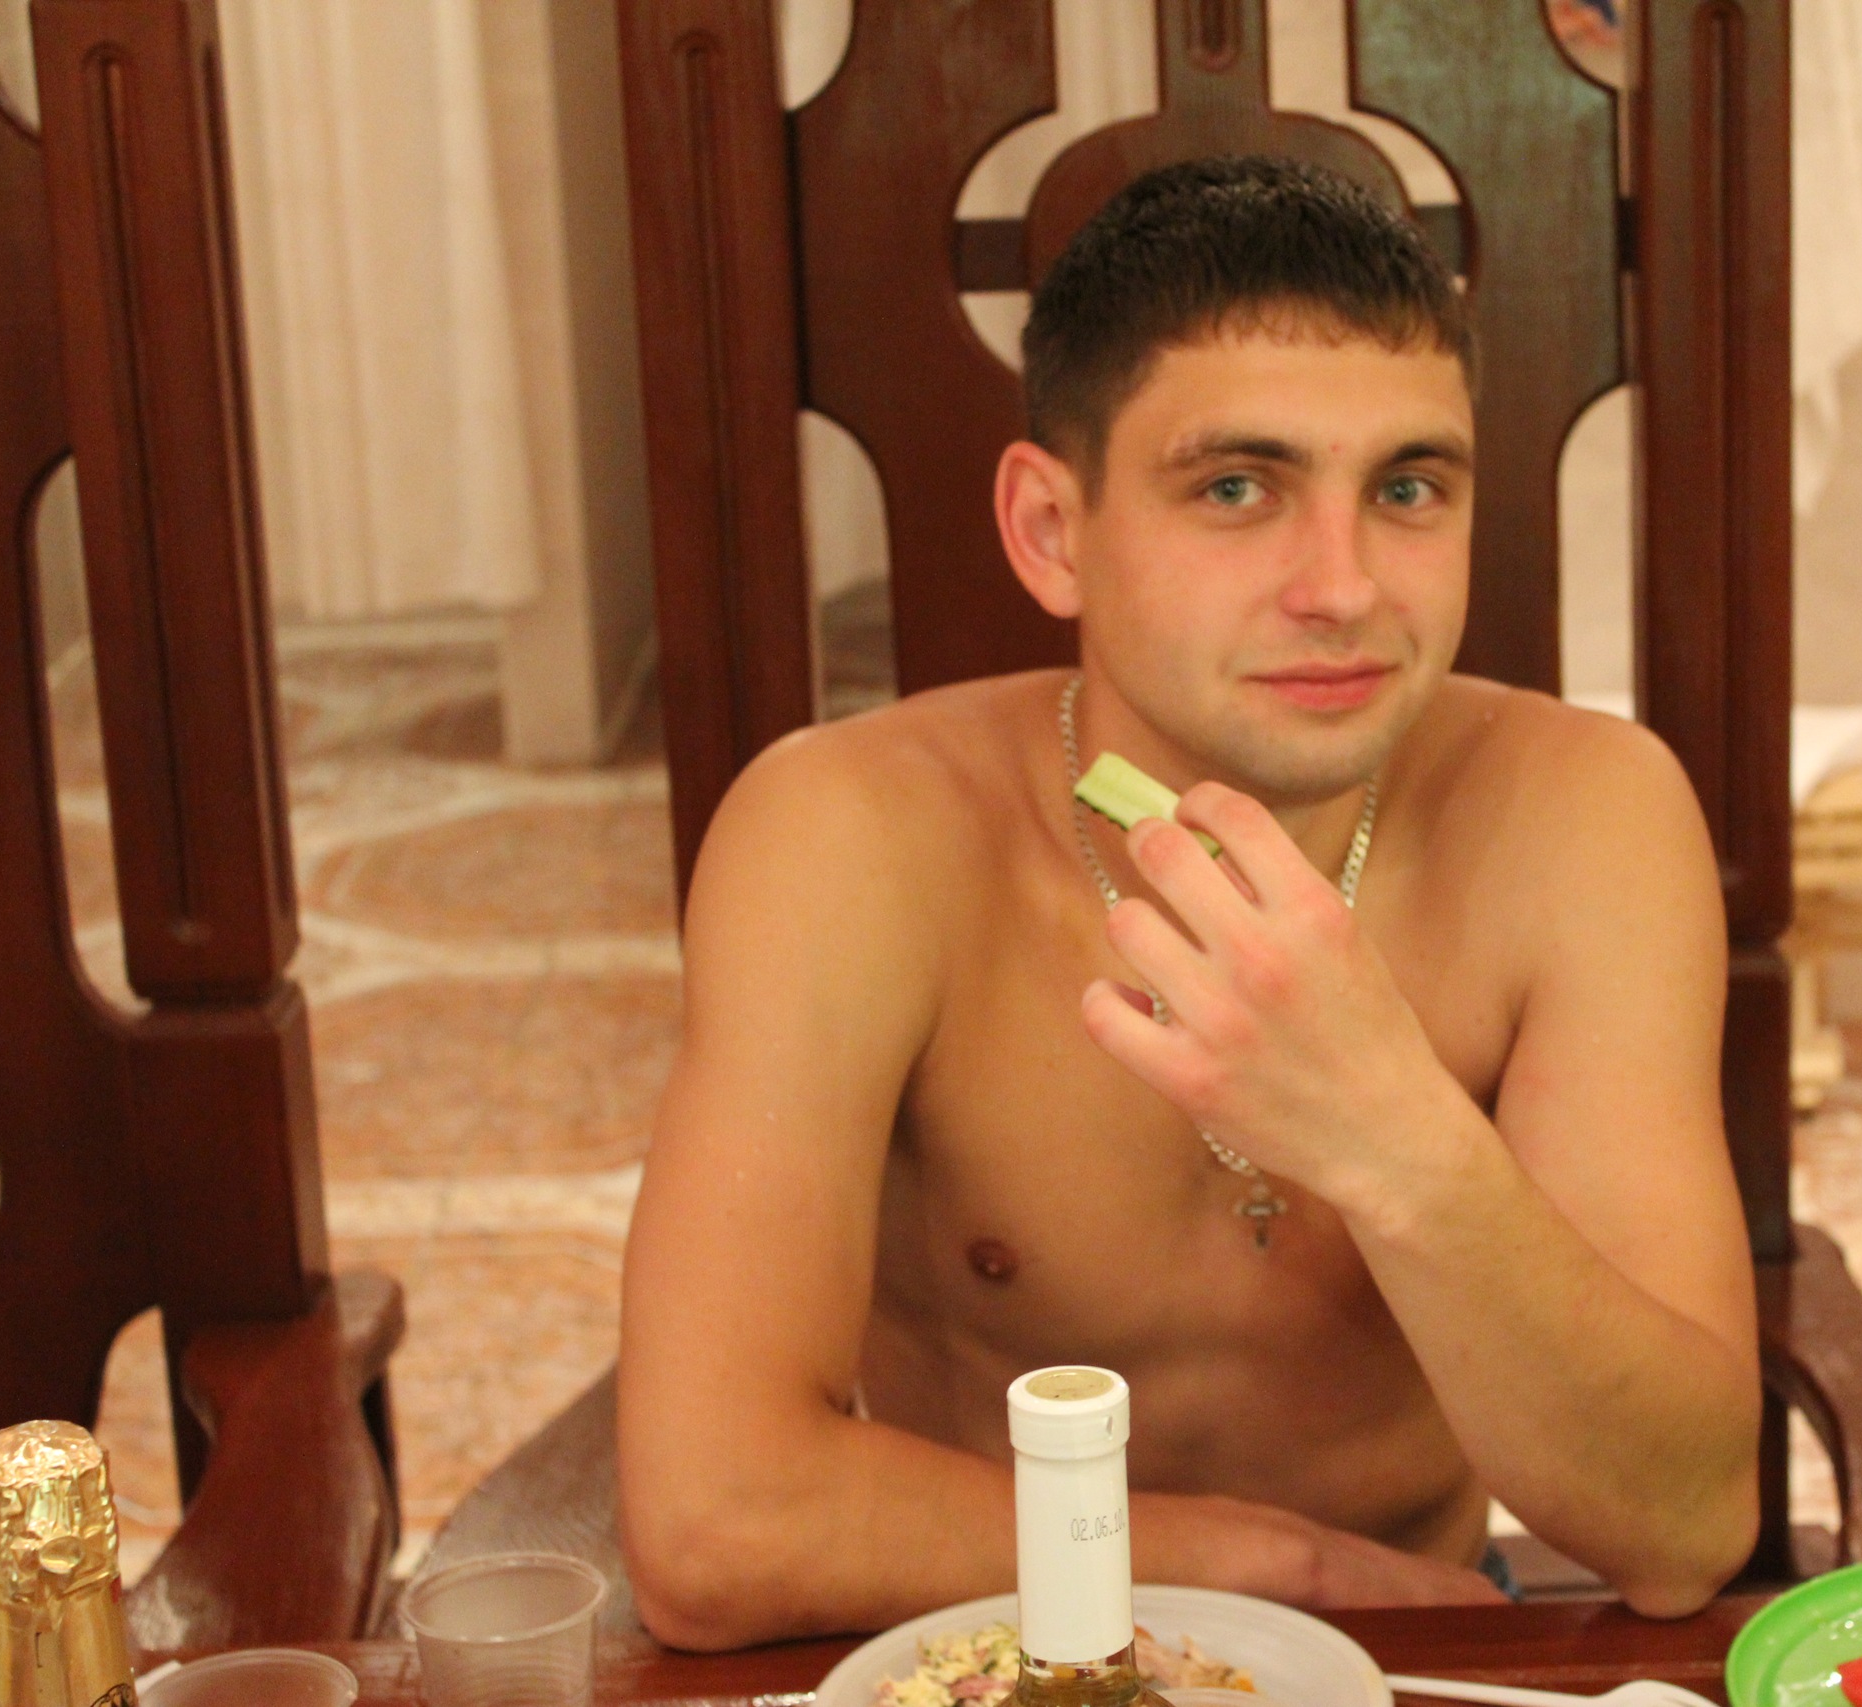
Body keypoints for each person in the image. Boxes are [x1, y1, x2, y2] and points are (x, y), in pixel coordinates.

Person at [617, 156, 1760, 1650]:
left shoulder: (1585, 818)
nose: (1343, 587)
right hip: (993, 1655)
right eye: (1236, 489)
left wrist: (1402, 1147)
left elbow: (1682, 1530)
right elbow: (712, 1525)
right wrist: (1268, 1569)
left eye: (1407, 489)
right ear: (1051, 531)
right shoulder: (848, 837)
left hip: (1412, 1661)